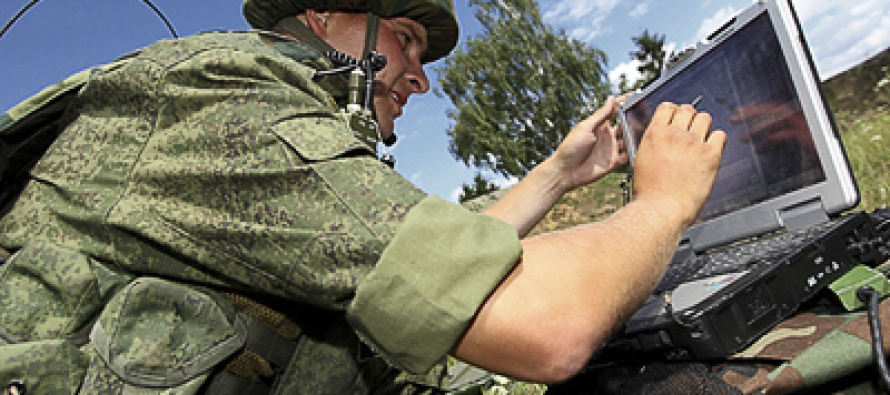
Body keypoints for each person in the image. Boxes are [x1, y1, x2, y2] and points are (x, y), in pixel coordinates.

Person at [0, 0, 726, 393]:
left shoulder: (248, 97)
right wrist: (663, 201)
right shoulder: (225, 96)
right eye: (407, 40)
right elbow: (546, 327)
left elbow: (432, 278)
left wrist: (557, 175)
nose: (420, 77)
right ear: (322, 17)